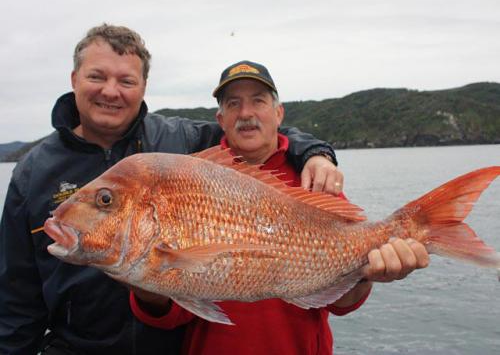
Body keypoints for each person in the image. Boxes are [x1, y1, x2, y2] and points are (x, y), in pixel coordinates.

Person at [0, 27, 342, 355]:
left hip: (169, 346)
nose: (110, 91)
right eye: (97, 76)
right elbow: (16, 299)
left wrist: (315, 152)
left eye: (126, 80)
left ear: (144, 86)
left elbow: (253, 128)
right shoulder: (33, 172)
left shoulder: (178, 140)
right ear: (74, 79)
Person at [129, 61, 431, 355]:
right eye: (233, 104)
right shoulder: (190, 181)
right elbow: (173, 314)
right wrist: (146, 276)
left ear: (278, 113)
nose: (246, 113)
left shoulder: (313, 180)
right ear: (220, 120)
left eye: (258, 101)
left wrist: (367, 273)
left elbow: (340, 303)